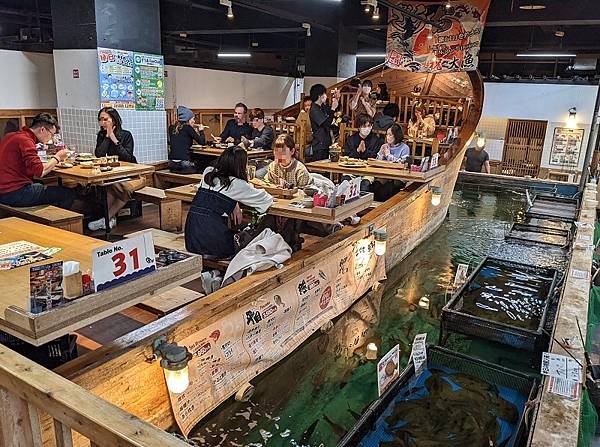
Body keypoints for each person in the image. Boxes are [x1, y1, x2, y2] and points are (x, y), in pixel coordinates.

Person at [0, 113, 74, 208]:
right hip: (14, 193)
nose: (51, 138)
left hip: (3, 191)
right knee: (67, 193)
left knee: (40, 185)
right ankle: (58, 221)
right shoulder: (26, 141)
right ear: (42, 129)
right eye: (52, 134)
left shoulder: (10, 136)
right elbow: (40, 172)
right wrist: (58, 157)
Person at [89, 107, 144, 231]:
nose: (102, 122)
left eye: (105, 119)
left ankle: (106, 218)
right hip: (115, 172)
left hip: (133, 173)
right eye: (100, 120)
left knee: (122, 188)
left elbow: (128, 157)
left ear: (114, 120)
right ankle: (110, 219)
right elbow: (99, 154)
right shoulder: (102, 135)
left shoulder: (126, 135)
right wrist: (107, 138)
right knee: (109, 187)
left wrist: (114, 138)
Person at [168, 106, 206, 174]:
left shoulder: (171, 127)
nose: (194, 121)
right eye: (193, 119)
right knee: (205, 164)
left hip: (171, 165)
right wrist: (201, 130)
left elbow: (179, 141)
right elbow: (202, 142)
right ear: (188, 119)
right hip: (183, 165)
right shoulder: (188, 128)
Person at [309, 83, 340, 161]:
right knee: (320, 167)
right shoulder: (314, 109)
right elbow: (326, 123)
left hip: (326, 142)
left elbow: (334, 110)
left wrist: (336, 99)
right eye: (324, 94)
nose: (326, 96)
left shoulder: (322, 107)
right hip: (319, 144)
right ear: (319, 96)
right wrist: (333, 109)